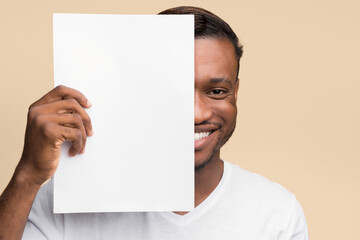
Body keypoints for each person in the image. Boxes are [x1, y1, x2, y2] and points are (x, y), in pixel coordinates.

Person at [0, 6, 309, 240]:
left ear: (236, 92)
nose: (197, 113)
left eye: (216, 91)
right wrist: (27, 175)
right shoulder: (62, 202)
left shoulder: (276, 213)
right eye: (172, 91)